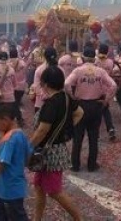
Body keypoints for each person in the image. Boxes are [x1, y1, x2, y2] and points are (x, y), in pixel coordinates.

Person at [29, 65, 83, 221]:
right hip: (53, 149)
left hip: (49, 153)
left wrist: (28, 146)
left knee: (54, 191)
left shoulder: (51, 104)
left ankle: (79, 218)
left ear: (45, 84)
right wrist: (65, 128)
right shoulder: (66, 98)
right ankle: (36, 219)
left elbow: (42, 130)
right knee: (39, 187)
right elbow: (80, 112)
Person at [65, 46, 116, 172]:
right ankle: (91, 165)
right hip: (96, 105)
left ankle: (75, 165)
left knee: (78, 136)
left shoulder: (78, 71)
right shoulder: (100, 71)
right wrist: (106, 100)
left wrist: (73, 96)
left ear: (83, 58)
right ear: (94, 59)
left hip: (81, 105)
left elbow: (66, 84)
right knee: (94, 137)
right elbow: (113, 85)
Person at [0, 103, 31, 220]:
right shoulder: (21, 134)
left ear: (6, 120)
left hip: (9, 188)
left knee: (17, 216)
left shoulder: (9, 140)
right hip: (14, 186)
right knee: (1, 216)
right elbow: (28, 157)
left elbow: (2, 163)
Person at [95, 43, 117, 141]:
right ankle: (110, 128)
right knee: (105, 110)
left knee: (97, 111)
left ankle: (96, 133)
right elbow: (111, 73)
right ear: (107, 51)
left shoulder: (96, 61)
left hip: (96, 89)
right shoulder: (110, 62)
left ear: (99, 50)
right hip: (106, 89)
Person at [9, 47, 27, 127]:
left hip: (13, 86)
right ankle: (13, 119)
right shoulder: (23, 63)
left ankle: (19, 119)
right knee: (16, 103)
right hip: (22, 87)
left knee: (14, 104)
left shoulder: (9, 63)